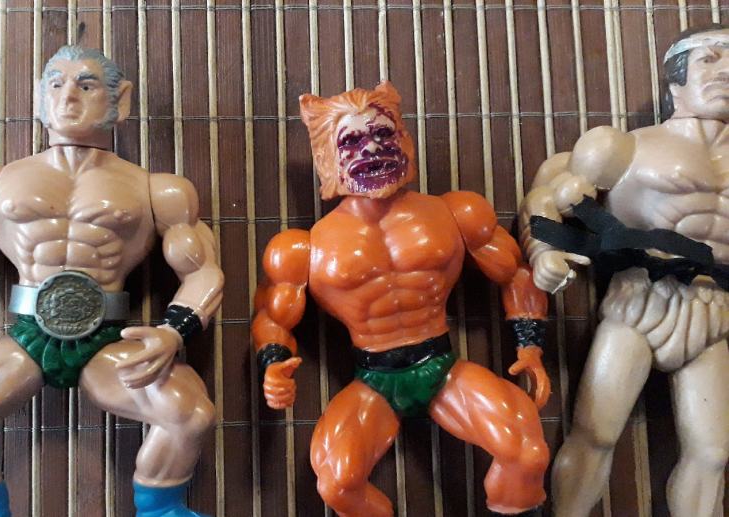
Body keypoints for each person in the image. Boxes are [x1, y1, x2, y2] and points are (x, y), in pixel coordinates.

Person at [0, 46, 223, 517]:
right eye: (56, 83)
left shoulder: (159, 190)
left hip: (108, 340)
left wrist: (173, 332)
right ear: (40, 96)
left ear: (120, 101)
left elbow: (202, 271)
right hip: (27, 336)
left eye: (86, 85)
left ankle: (161, 511)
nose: (68, 96)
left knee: (191, 415)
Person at [252, 81, 551, 517]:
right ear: (328, 156)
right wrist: (273, 364)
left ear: (403, 138)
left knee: (527, 453)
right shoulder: (302, 249)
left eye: (382, 133)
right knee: (337, 483)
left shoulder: (456, 213)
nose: (372, 148)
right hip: (374, 379)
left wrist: (530, 344)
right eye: (352, 141)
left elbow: (516, 272)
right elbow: (273, 318)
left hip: (443, 366)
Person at [519, 24, 729, 517]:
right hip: (638, 298)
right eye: (709, 59)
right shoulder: (624, 147)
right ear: (675, 81)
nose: (725, 72)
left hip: (715, 307)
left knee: (713, 453)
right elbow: (549, 191)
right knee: (595, 433)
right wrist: (542, 251)